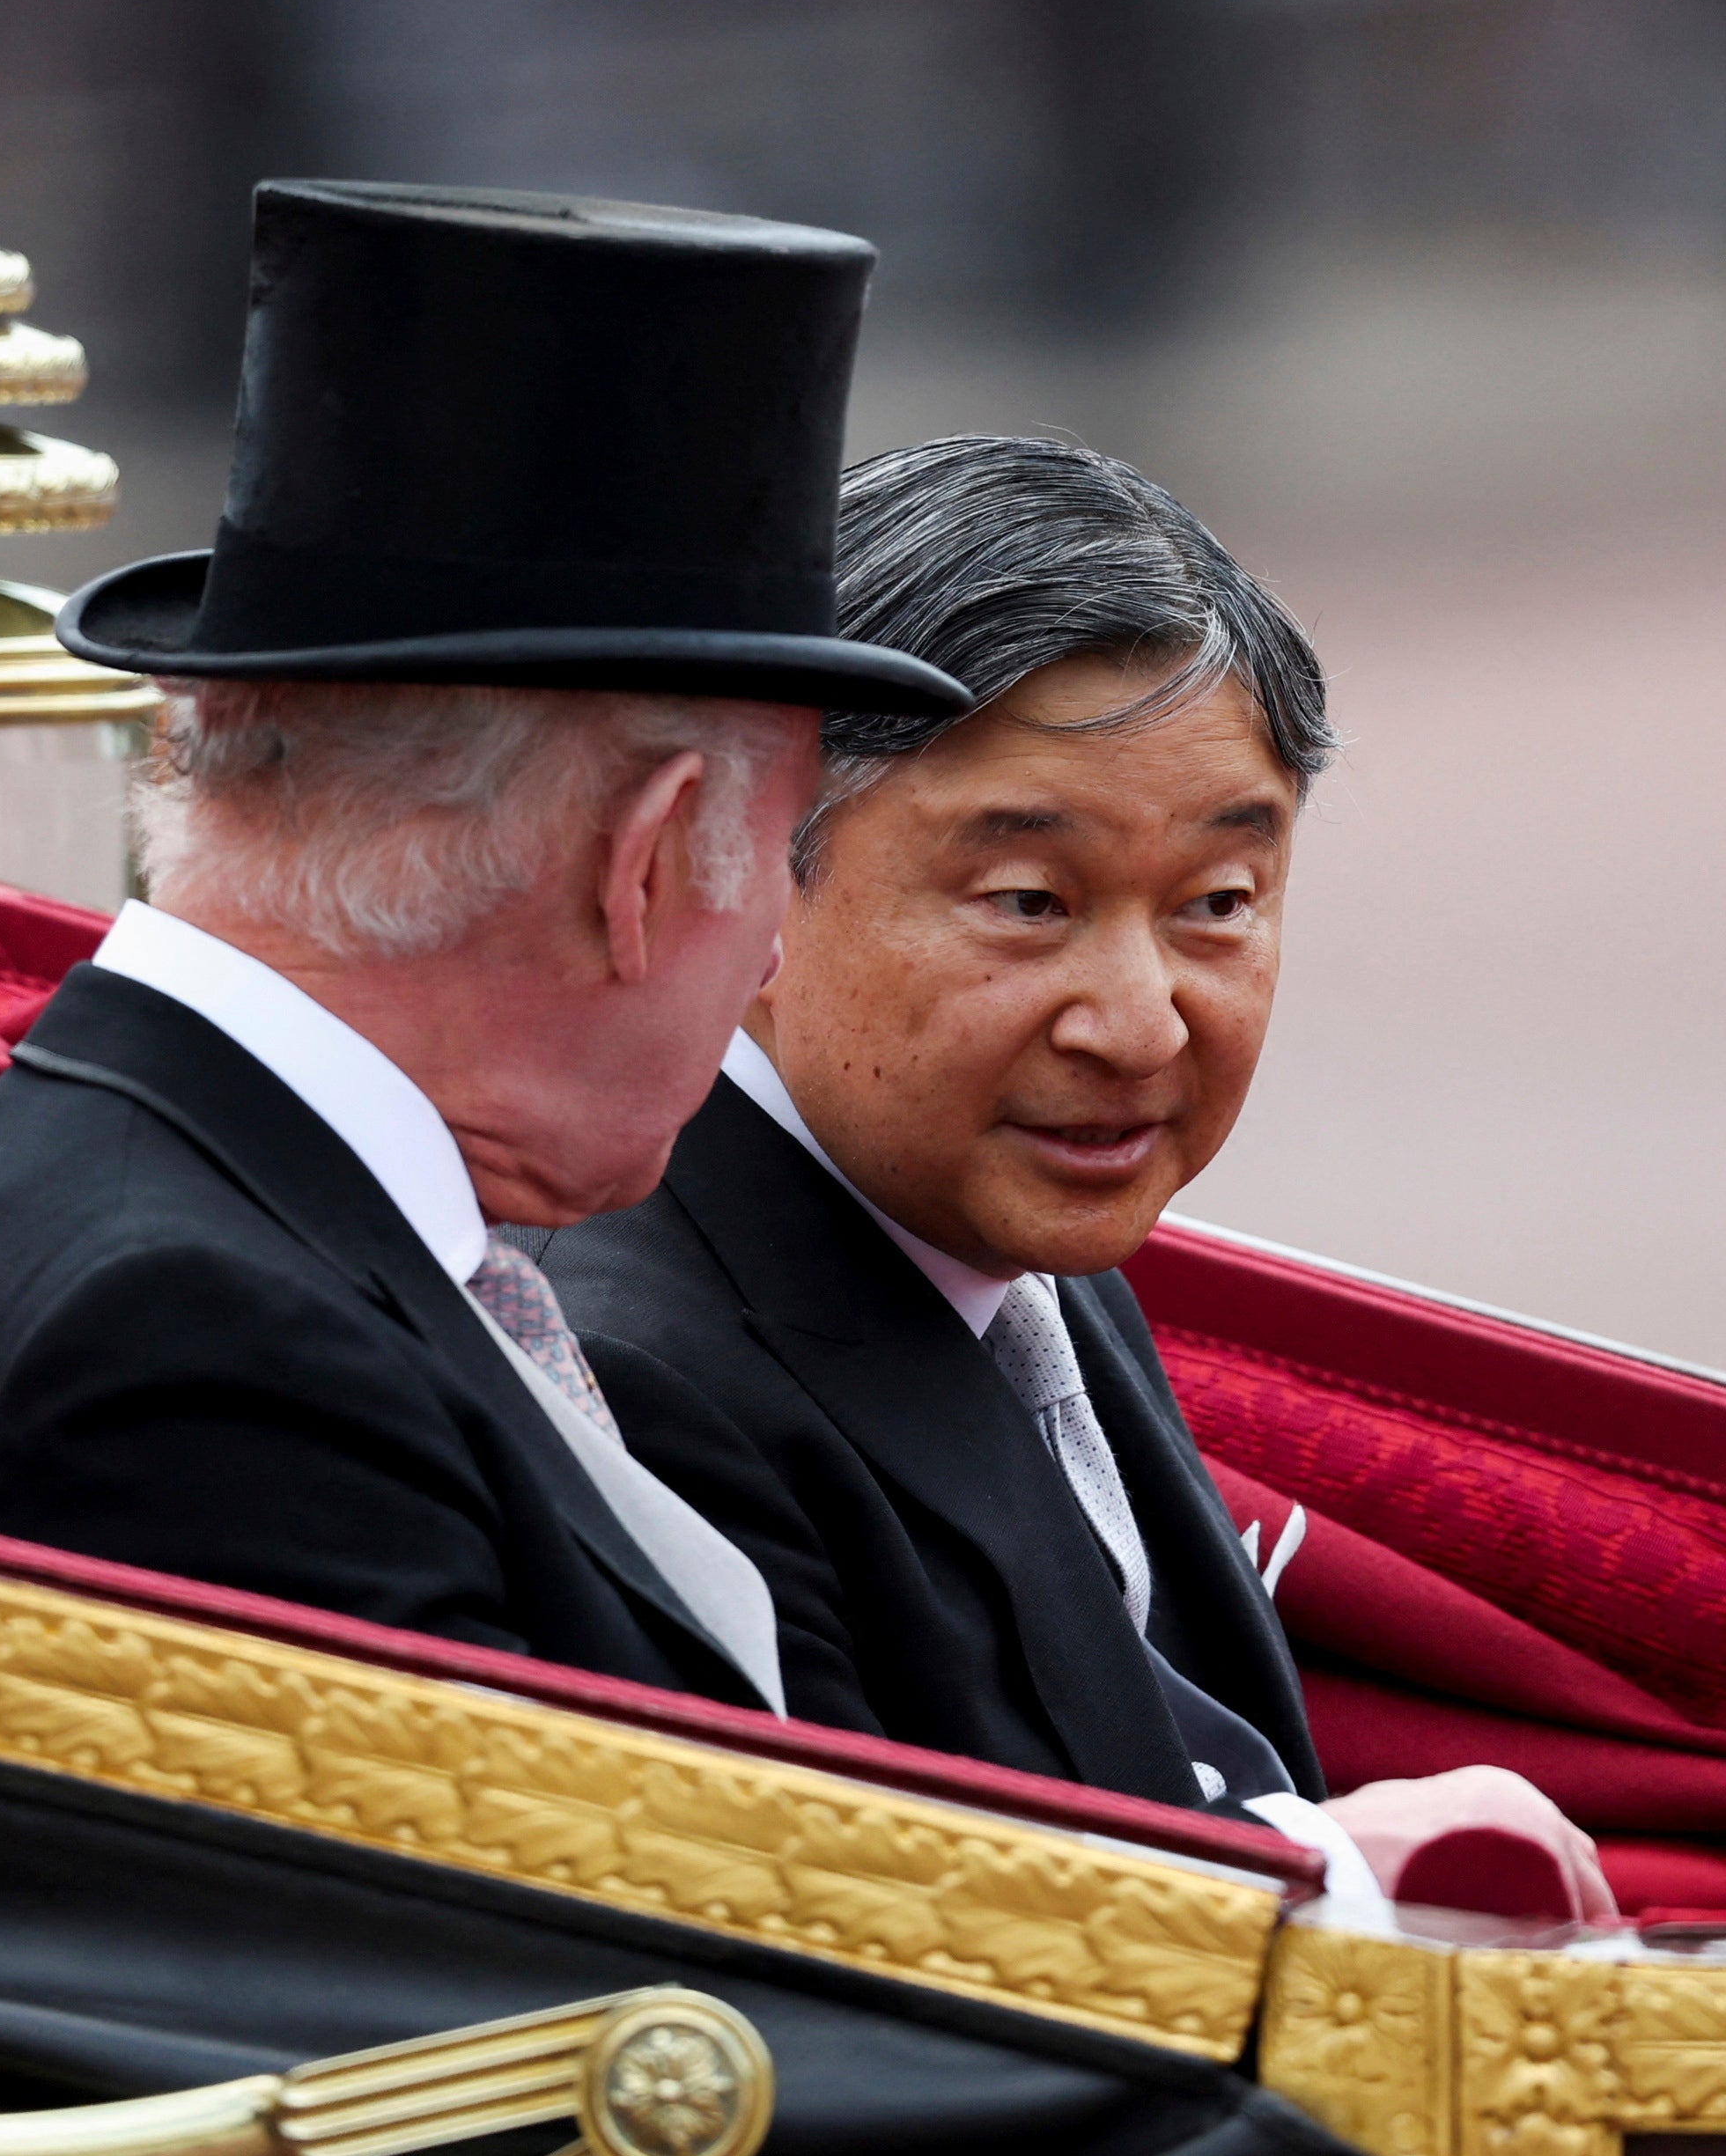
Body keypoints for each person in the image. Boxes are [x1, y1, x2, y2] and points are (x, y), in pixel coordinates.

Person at [0, 182, 964, 1712]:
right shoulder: (191, 1342)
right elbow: (549, 1940)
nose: (766, 967)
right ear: (650, 858)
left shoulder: (220, 1203)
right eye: (781, 865)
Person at [545, 434, 1607, 1913]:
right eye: (1030, 903)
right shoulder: (637, 1379)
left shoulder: (1010, 1242)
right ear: (734, 878)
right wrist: (1328, 1880)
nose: (1140, 1021)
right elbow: (862, 1955)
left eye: (1217, 904)